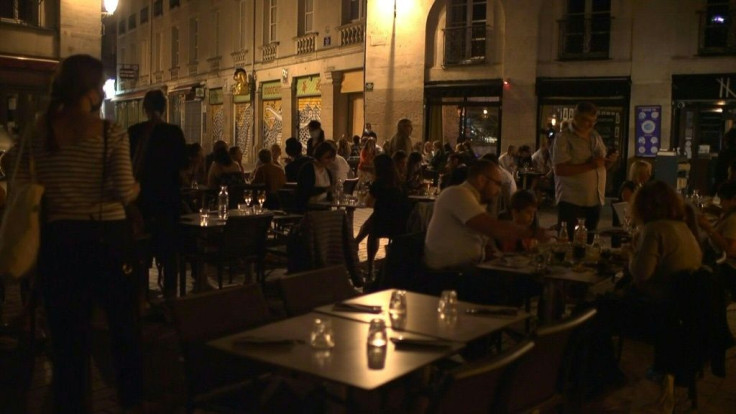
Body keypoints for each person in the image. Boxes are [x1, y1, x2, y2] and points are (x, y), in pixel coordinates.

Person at [8, 54, 143, 412]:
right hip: (107, 239)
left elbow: (20, 182)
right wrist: (137, 189)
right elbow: (124, 189)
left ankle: (72, 404)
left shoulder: (38, 131)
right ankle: (130, 402)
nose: (102, 91)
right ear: (88, 90)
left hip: (59, 242)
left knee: (68, 342)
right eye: (99, 85)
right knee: (123, 331)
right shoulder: (110, 133)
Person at [424, 160, 544, 270]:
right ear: (482, 180)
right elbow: (494, 228)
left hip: (468, 269)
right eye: (497, 184)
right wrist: (533, 233)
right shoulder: (457, 194)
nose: (499, 191)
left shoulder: (476, 201)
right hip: (449, 274)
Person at [128, 89, 188, 299]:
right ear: (164, 108)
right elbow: (183, 170)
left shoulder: (134, 132)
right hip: (168, 202)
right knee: (170, 255)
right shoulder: (174, 133)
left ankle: (142, 298)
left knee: (140, 254)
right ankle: (170, 298)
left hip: (141, 204)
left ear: (145, 108)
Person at [552, 101, 618, 238]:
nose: (590, 124)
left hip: (595, 199)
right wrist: (591, 165)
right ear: (575, 117)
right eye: (586, 120)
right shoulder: (563, 138)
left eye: (593, 121)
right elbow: (560, 170)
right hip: (572, 200)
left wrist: (609, 161)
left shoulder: (595, 136)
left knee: (590, 240)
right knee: (568, 240)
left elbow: (601, 166)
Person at [360, 153, 412, 277]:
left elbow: (368, 203)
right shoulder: (400, 183)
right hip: (401, 223)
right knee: (375, 217)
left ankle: (369, 264)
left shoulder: (378, 184)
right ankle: (356, 242)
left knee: (374, 226)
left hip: (383, 223)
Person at [698, 180, 736, 299]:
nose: (720, 203)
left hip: (726, 267)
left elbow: (730, 249)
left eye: (723, 200)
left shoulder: (733, 219)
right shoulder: (729, 214)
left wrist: (709, 228)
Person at [295, 141, 335, 211]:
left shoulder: (327, 171)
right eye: (327, 158)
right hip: (309, 208)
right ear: (319, 156)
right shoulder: (308, 169)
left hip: (324, 208)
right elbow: (305, 191)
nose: (330, 161)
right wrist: (324, 189)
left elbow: (329, 195)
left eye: (332, 158)